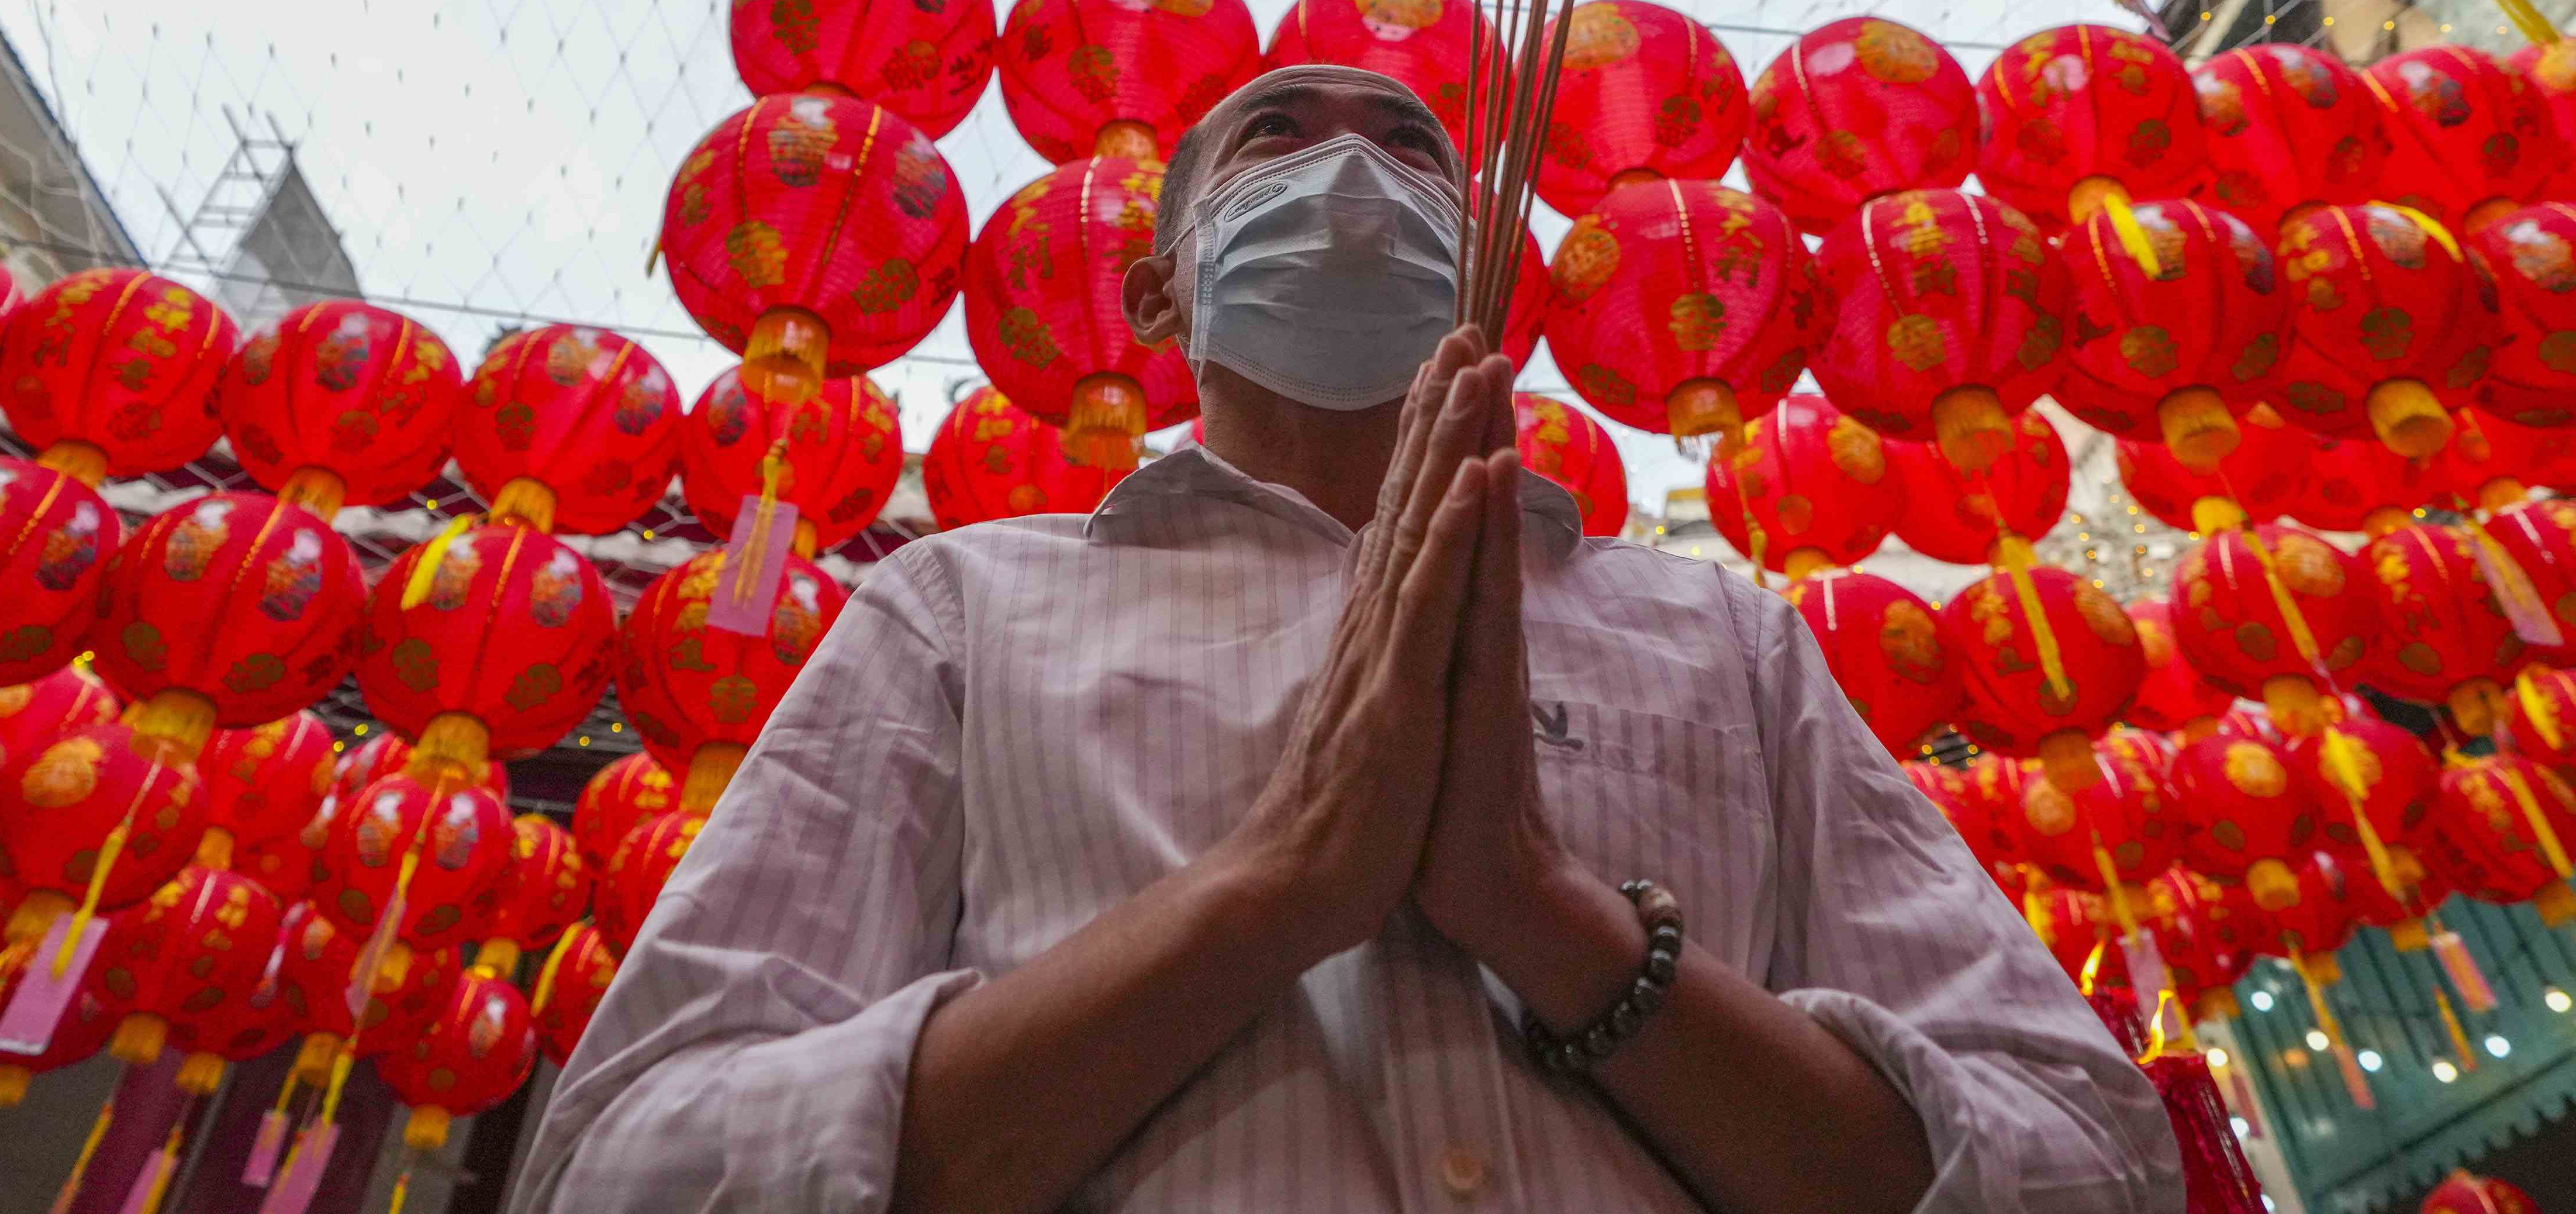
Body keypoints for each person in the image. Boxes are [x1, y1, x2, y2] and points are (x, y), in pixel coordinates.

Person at [513, 64, 2182, 1214]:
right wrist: (1275, 891)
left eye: (1408, 145)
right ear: (1160, 297)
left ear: (1487, 268)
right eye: (1276, 144)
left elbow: (2086, 1158)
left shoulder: (1719, 638)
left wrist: (1547, 919)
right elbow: (631, 1161)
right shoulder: (953, 609)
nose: (1353, 177)